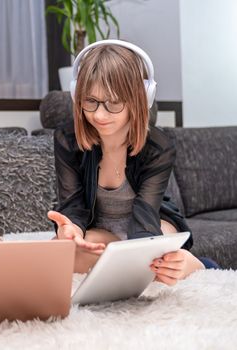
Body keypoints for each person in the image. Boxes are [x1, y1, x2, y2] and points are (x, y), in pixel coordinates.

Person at [47, 40, 215, 286]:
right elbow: (73, 203)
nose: (99, 115)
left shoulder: (158, 147)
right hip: (100, 225)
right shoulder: (67, 139)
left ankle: (199, 264)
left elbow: (146, 215)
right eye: (90, 100)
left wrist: (138, 255)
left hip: (150, 222)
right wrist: (72, 229)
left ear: (139, 98)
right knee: (56, 256)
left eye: (113, 103)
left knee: (151, 260)